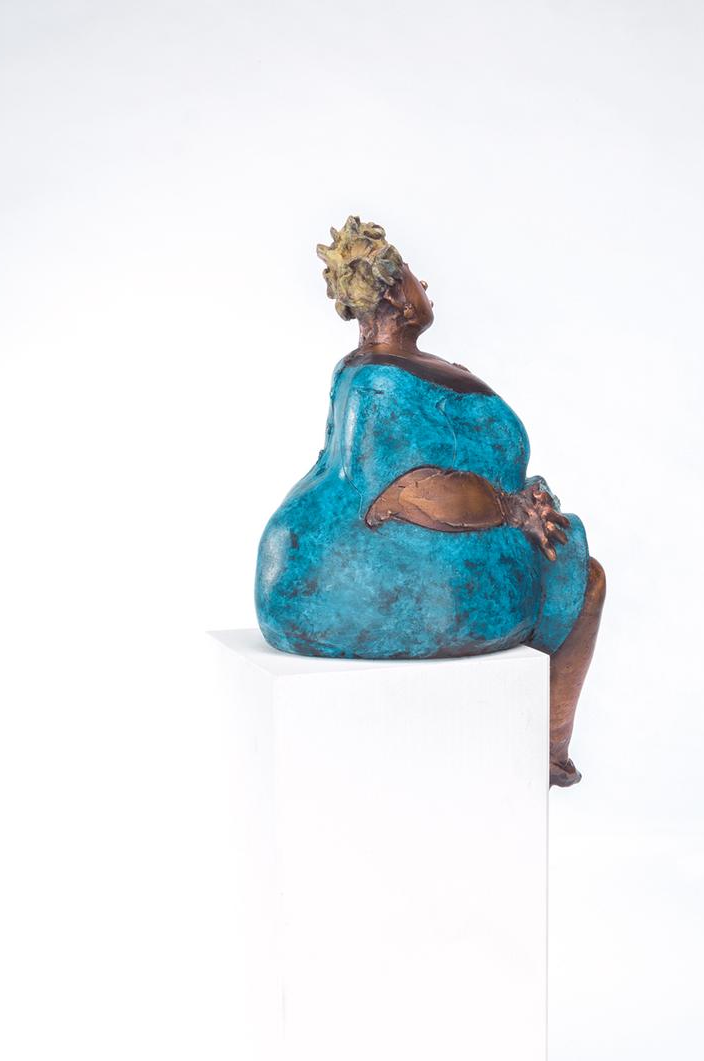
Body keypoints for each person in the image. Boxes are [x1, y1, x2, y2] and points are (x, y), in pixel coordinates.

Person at [256, 217, 605, 786]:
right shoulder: (380, 381)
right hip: (352, 576)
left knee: (572, 565)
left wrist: (523, 499)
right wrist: (514, 510)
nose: (427, 289)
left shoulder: (376, 373)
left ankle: (544, 744)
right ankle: (547, 748)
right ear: (395, 291)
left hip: (357, 559)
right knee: (582, 578)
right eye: (417, 278)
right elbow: (408, 490)